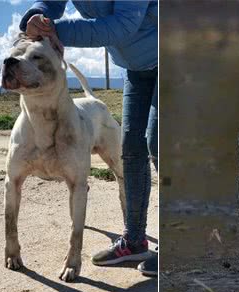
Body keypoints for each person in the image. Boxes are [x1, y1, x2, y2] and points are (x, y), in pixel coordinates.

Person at [19, 0, 158, 276]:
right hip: (135, 70)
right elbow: (51, 3)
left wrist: (55, 30)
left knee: (158, 142)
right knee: (130, 151)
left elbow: (123, 25)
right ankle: (134, 241)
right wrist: (37, 15)